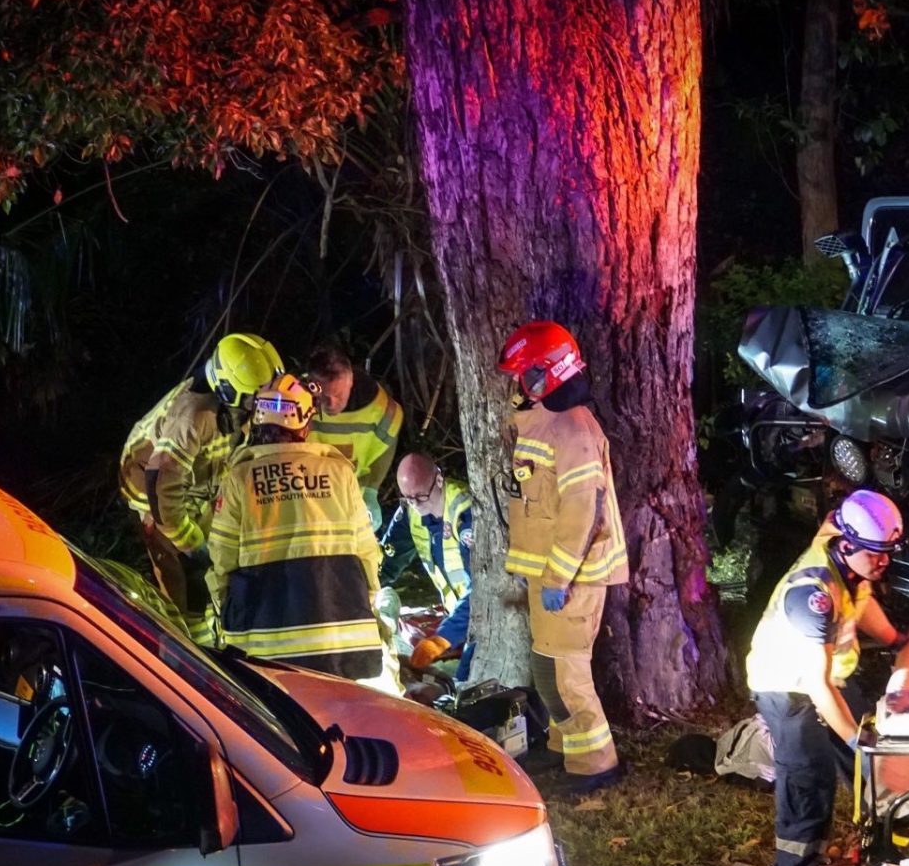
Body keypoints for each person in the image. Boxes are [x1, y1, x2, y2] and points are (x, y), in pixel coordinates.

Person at [745, 488, 905, 866]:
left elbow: (863, 600)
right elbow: (814, 684)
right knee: (809, 784)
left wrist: (896, 640)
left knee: (871, 772)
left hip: (830, 680)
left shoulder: (851, 551)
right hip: (789, 690)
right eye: (877, 554)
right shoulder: (811, 594)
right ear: (849, 545)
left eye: (888, 554)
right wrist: (856, 736)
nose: (883, 563)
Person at [498, 320, 627, 792]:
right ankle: (563, 748)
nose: (518, 385)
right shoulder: (548, 420)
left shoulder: (572, 430)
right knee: (546, 667)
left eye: (524, 375)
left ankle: (596, 764)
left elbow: (582, 511)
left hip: (571, 578)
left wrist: (556, 577)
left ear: (545, 375)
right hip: (550, 575)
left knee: (563, 674)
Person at [206, 375, 387, 682]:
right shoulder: (339, 471)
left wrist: (228, 614)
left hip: (267, 648)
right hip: (341, 643)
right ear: (304, 422)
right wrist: (368, 599)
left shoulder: (240, 478)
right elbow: (366, 552)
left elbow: (223, 560)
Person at [118, 333, 284, 643]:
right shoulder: (194, 416)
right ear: (229, 389)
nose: (262, 403)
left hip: (194, 485)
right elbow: (161, 479)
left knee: (211, 562)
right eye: (255, 396)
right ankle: (183, 643)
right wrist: (187, 540)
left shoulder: (233, 405)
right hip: (151, 492)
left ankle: (209, 627)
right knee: (178, 568)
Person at [382, 452, 477, 679]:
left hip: (479, 618)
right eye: (407, 498)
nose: (414, 504)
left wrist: (442, 638)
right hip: (456, 616)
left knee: (467, 681)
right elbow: (387, 561)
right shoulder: (410, 510)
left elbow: (483, 590)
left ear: (439, 481)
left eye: (420, 496)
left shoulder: (465, 514)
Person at [301, 346, 404, 529]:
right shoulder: (296, 403)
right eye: (323, 396)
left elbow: (388, 442)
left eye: (338, 395)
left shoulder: (380, 409)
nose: (331, 404)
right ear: (311, 384)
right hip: (305, 500)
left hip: (352, 502)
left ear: (351, 381)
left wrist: (372, 491)